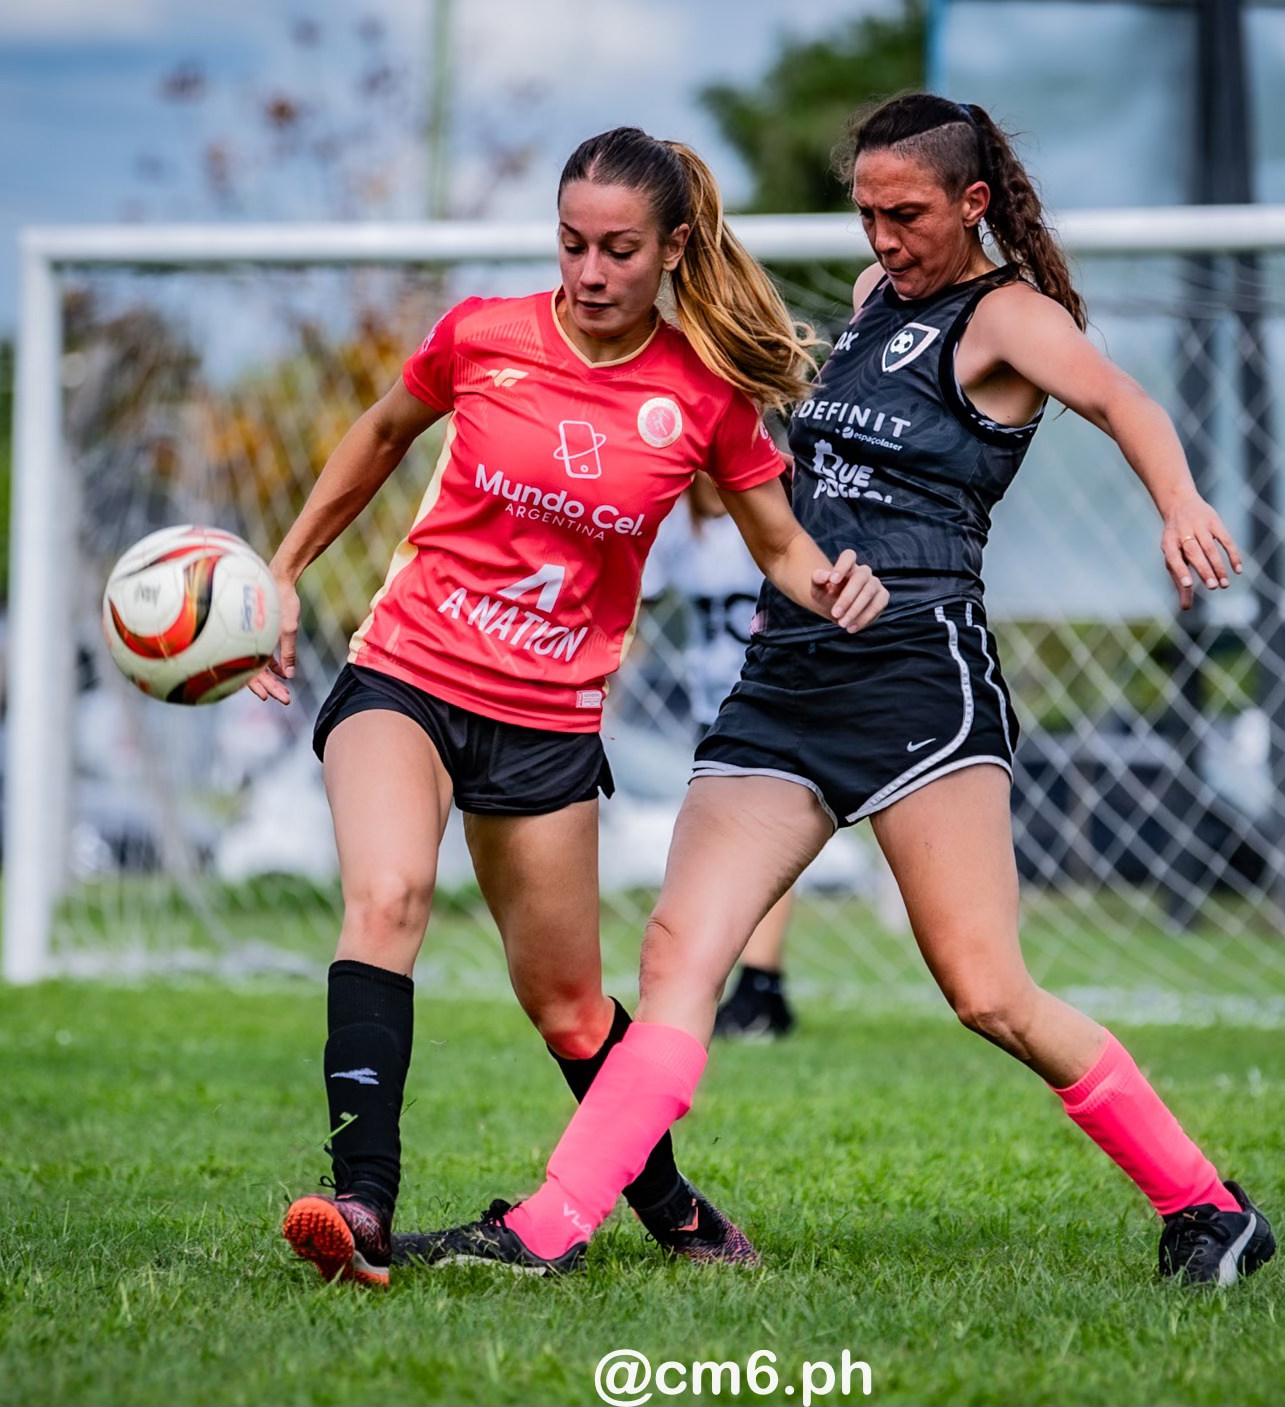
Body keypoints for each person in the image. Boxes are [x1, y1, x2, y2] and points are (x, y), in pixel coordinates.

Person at [397, 94, 1276, 1287]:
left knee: (987, 991)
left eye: (905, 214)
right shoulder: (867, 306)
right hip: (790, 671)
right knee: (677, 963)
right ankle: (544, 1231)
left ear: (972, 204)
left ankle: (1209, 1209)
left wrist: (1179, 502)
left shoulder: (1007, 315)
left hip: (918, 683)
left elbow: (1125, 401)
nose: (882, 240)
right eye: (866, 213)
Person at [256, 125, 888, 1289]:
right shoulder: (481, 336)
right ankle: (364, 1208)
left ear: (672, 249)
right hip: (406, 673)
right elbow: (382, 435)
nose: (589, 272)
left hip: (550, 722)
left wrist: (836, 584)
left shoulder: (702, 396)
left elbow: (781, 547)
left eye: (618, 249)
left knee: (567, 1008)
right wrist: (283, 570)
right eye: (571, 244)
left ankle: (675, 1210)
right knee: (386, 897)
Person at [641, 472, 797, 1040]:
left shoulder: (771, 505)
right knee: (717, 841)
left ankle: (762, 982)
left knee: (764, 835)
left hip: (773, 696)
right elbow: (639, 602)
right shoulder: (675, 519)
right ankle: (742, 982)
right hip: (715, 704)